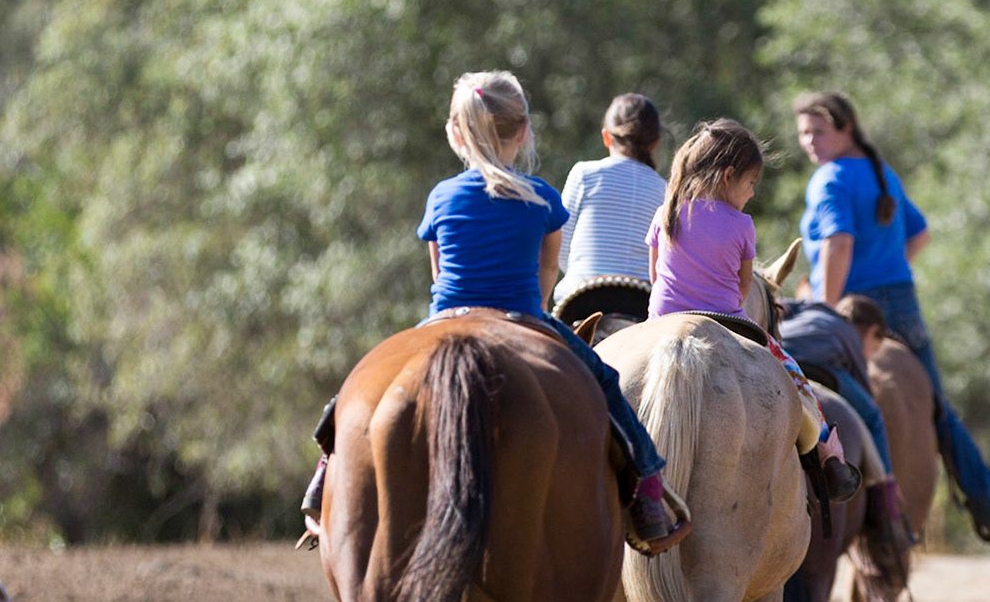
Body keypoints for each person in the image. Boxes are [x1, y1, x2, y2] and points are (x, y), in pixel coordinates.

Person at [301, 71, 690, 554]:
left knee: (367, 379)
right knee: (605, 382)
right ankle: (648, 491)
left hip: (447, 315)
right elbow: (547, 273)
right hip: (523, 314)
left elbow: (439, 274)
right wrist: (536, 309)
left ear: (456, 133)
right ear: (523, 131)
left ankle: (326, 470)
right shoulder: (542, 197)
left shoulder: (441, 196)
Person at [793, 90, 990, 546]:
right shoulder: (882, 173)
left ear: (846, 129)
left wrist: (825, 309)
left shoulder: (829, 179)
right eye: (804, 133)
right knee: (937, 408)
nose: (810, 141)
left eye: (819, 131)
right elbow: (919, 234)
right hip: (901, 303)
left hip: (850, 306)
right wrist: (889, 269)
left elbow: (838, 242)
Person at [646, 118, 861, 504]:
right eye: (750, 183)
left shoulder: (667, 211)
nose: (751, 193)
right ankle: (828, 454)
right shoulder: (742, 224)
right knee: (795, 377)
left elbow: (654, 272)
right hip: (725, 320)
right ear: (729, 176)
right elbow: (744, 287)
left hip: (661, 321)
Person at [776, 292, 914, 543]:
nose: (870, 354)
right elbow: (863, 385)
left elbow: (785, 305)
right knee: (873, 416)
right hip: (821, 368)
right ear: (872, 331)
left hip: (783, 358)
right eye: (874, 348)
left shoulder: (817, 308)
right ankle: (886, 495)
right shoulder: (852, 336)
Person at [552, 93, 666, 322]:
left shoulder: (584, 174)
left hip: (582, 299)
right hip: (643, 303)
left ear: (606, 136)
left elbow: (561, 249)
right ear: (655, 143)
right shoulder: (666, 190)